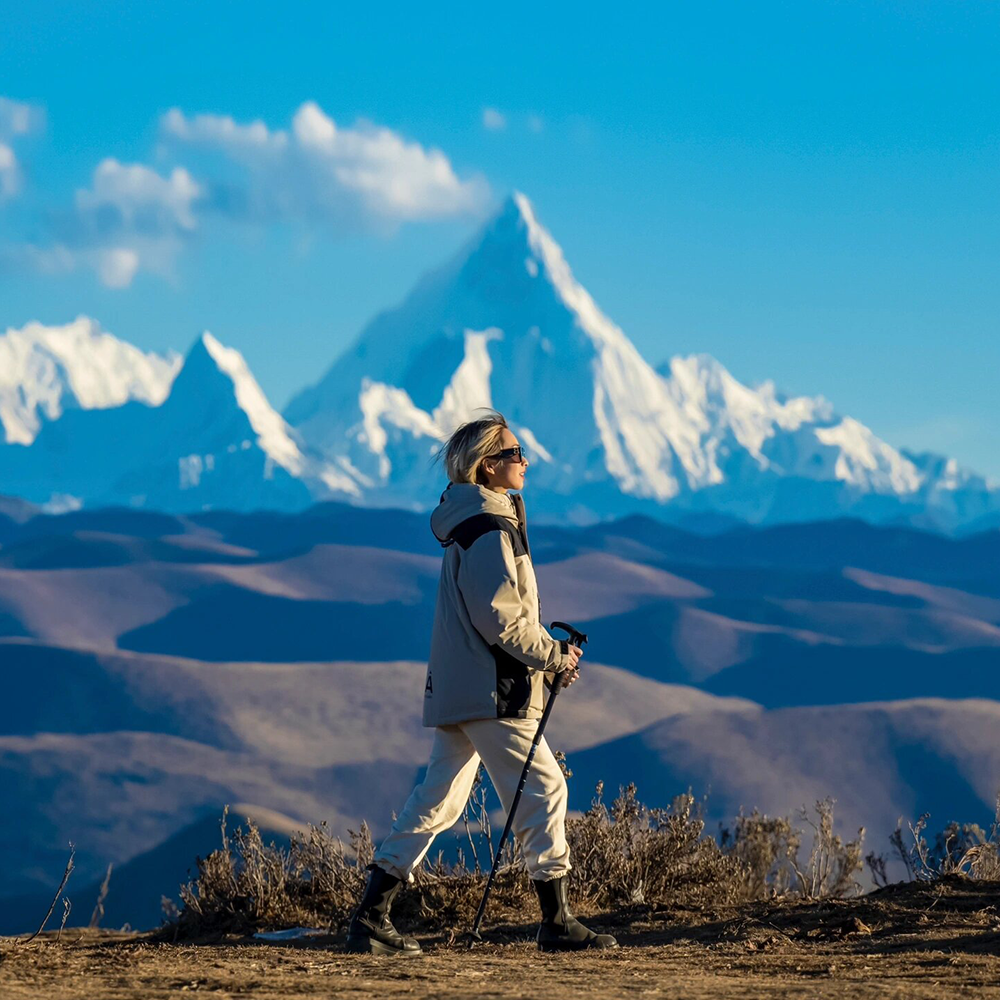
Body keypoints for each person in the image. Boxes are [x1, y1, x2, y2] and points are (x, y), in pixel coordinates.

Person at [346, 410, 618, 956]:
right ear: (488, 467)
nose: (525, 462)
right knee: (546, 789)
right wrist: (553, 655)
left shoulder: (472, 526)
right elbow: (501, 620)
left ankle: (372, 915)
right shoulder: (490, 531)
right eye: (516, 455)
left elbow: (498, 614)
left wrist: (546, 651)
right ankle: (556, 921)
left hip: (465, 686)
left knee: (438, 801)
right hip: (495, 689)